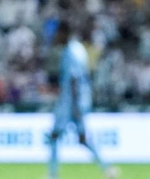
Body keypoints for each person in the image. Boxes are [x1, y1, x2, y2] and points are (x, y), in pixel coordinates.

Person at [47, 20, 116, 179]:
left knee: (55, 136)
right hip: (77, 100)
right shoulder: (78, 49)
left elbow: (74, 80)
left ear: (63, 33)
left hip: (71, 102)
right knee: (82, 139)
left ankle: (53, 175)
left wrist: (75, 107)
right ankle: (107, 168)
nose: (55, 37)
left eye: (57, 33)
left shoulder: (71, 51)